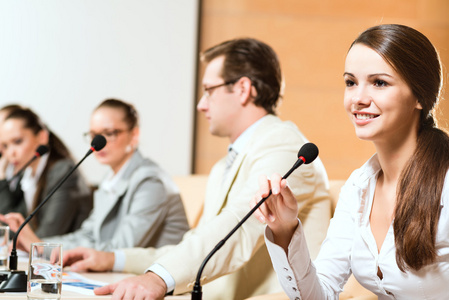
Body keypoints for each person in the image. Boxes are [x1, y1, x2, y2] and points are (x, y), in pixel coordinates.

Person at [61, 38, 331, 300]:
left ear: (242, 89)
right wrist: (112, 258)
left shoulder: (285, 147)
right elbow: (196, 243)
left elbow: (238, 227)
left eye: (209, 90)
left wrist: (158, 278)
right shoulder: (221, 168)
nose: (201, 104)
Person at [253, 24, 449, 299]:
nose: (357, 99)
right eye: (350, 82)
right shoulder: (358, 187)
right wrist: (284, 229)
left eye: (379, 83)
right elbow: (318, 295)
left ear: (419, 95)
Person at [1, 99, 190, 251]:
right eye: (94, 134)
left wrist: (39, 246)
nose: (98, 142)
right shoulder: (110, 180)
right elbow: (88, 235)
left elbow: (123, 248)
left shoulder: (150, 181)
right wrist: (38, 245)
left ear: (134, 135)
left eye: (109, 133)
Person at [0, 106, 92, 237]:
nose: (11, 153)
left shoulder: (62, 171)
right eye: (5, 146)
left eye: (18, 141)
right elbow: (12, 227)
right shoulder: (28, 174)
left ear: (42, 137)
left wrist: (1, 176)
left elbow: (47, 236)